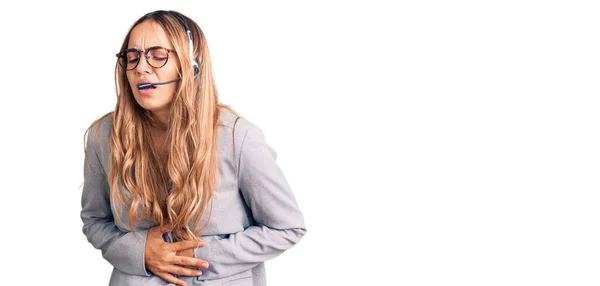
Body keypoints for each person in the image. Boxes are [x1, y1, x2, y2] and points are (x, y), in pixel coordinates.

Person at [80, 10, 306, 286]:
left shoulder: (238, 137)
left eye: (157, 55)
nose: (141, 67)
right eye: (132, 56)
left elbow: (287, 227)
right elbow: (95, 221)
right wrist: (140, 252)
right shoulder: (103, 137)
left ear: (191, 65)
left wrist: (198, 255)